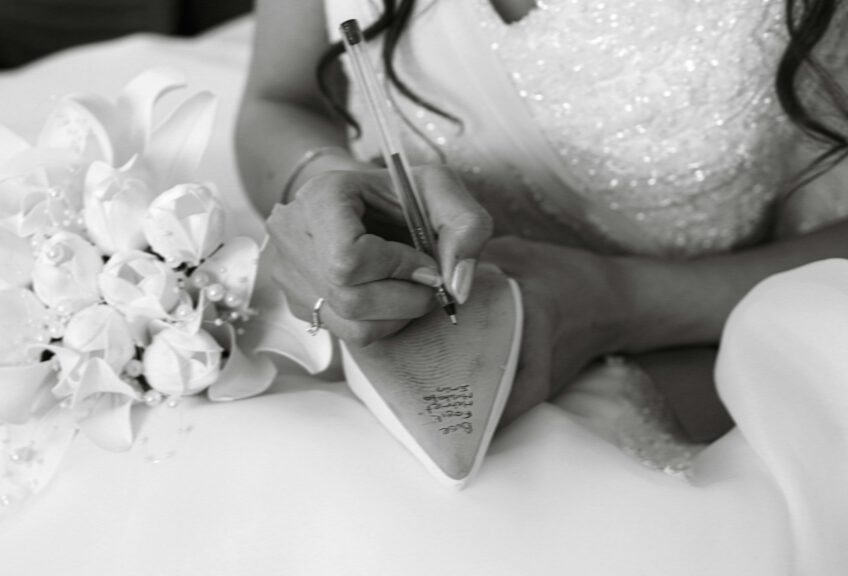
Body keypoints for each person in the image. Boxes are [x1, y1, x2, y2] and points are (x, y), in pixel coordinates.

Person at [235, 0, 848, 446]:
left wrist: (624, 300)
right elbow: (279, 100)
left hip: (717, 349)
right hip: (411, 346)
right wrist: (319, 184)